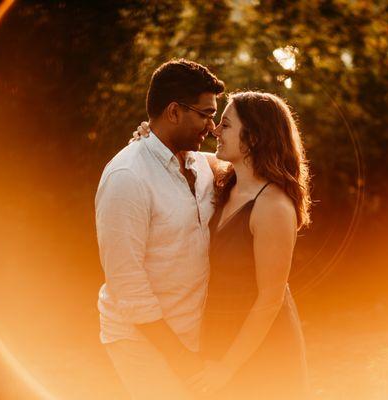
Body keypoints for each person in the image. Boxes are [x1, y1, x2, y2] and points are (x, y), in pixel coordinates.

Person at [133, 91, 311, 399]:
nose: (214, 130)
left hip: (261, 347)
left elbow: (270, 300)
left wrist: (228, 367)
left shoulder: (273, 207)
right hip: (218, 331)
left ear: (253, 138)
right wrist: (149, 138)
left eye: (225, 125)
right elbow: (175, 155)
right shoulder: (224, 176)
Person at [95, 59, 224, 400]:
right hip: (143, 343)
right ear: (173, 111)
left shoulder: (199, 163)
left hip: (192, 333)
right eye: (206, 114)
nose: (212, 127)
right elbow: (127, 285)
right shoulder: (127, 177)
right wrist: (180, 357)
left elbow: (249, 163)